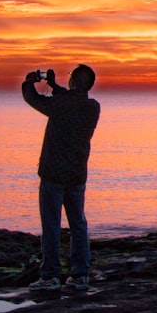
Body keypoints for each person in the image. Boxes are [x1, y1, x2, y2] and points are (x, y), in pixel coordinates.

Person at [21, 64, 101, 291]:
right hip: (76, 176)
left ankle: (50, 275)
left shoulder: (61, 105)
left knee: (51, 227)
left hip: (54, 175)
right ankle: (80, 274)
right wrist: (55, 86)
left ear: (74, 81)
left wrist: (28, 81)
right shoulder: (92, 107)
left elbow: (33, 99)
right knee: (78, 225)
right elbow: (70, 100)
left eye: (70, 78)